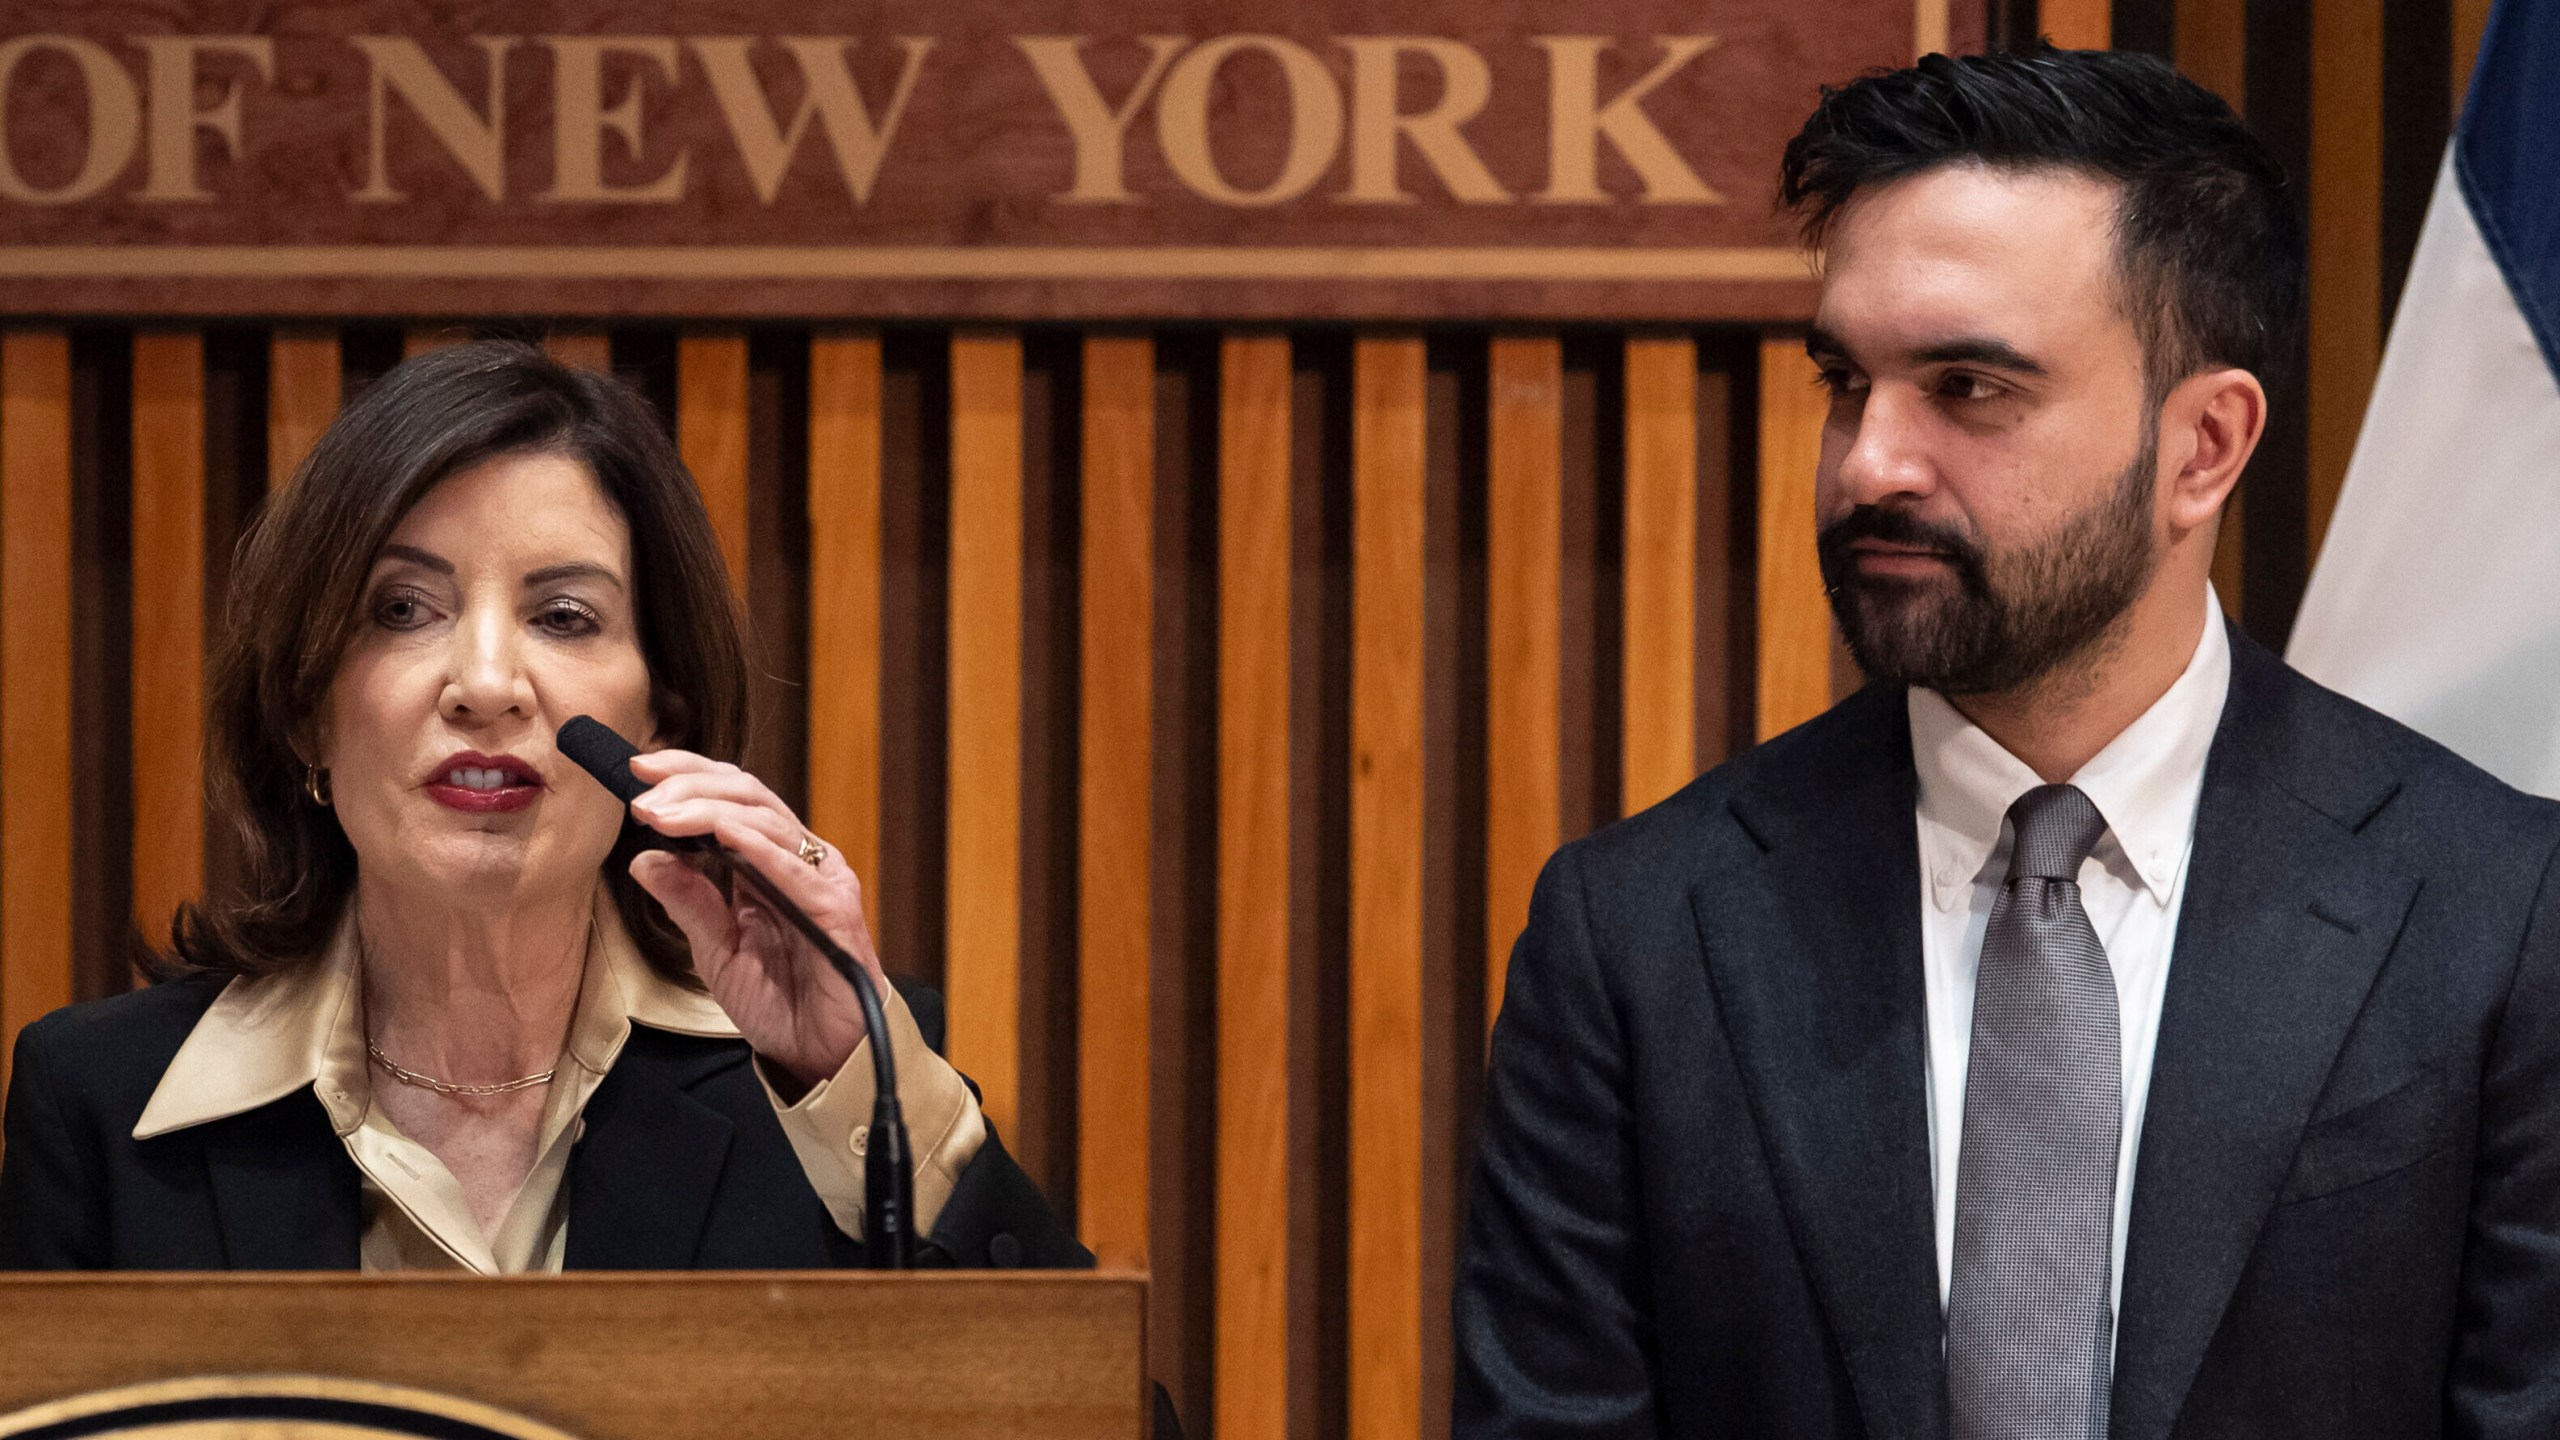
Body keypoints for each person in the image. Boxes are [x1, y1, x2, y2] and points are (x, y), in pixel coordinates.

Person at [1453, 47, 2560, 1439]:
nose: (1870, 464)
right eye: (1847, 381)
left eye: (1969, 387)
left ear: (2204, 446)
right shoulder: (1635, 937)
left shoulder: (2504, 915)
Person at [0, 341, 1083, 1273]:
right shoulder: (102, 1108)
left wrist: (857, 1082)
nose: (486, 681)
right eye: (402, 608)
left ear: (659, 722)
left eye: (564, 616)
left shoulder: (820, 1088)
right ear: (305, 715)